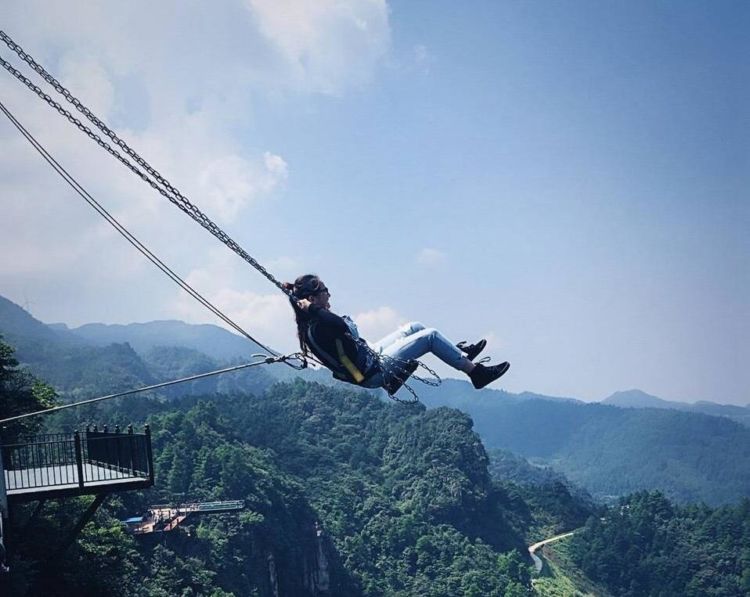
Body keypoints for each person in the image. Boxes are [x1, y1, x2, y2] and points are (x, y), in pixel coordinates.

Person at [283, 274, 510, 392]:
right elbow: (339, 326)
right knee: (428, 336)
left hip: (369, 357)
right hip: (373, 371)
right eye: (325, 291)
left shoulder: (315, 321)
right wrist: (311, 307)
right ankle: (476, 374)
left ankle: (458, 353)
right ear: (312, 300)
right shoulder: (319, 325)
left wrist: (294, 295)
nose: (329, 295)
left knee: (414, 326)